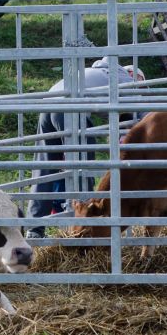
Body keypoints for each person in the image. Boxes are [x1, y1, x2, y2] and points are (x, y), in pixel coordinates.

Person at [27, 57, 145, 228]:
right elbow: (145, 118)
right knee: (84, 167)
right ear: (132, 73)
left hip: (49, 104)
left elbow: (122, 120)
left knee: (45, 167)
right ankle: (82, 223)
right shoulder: (124, 80)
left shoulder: (96, 74)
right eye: (140, 81)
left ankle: (34, 227)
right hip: (72, 108)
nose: (140, 87)